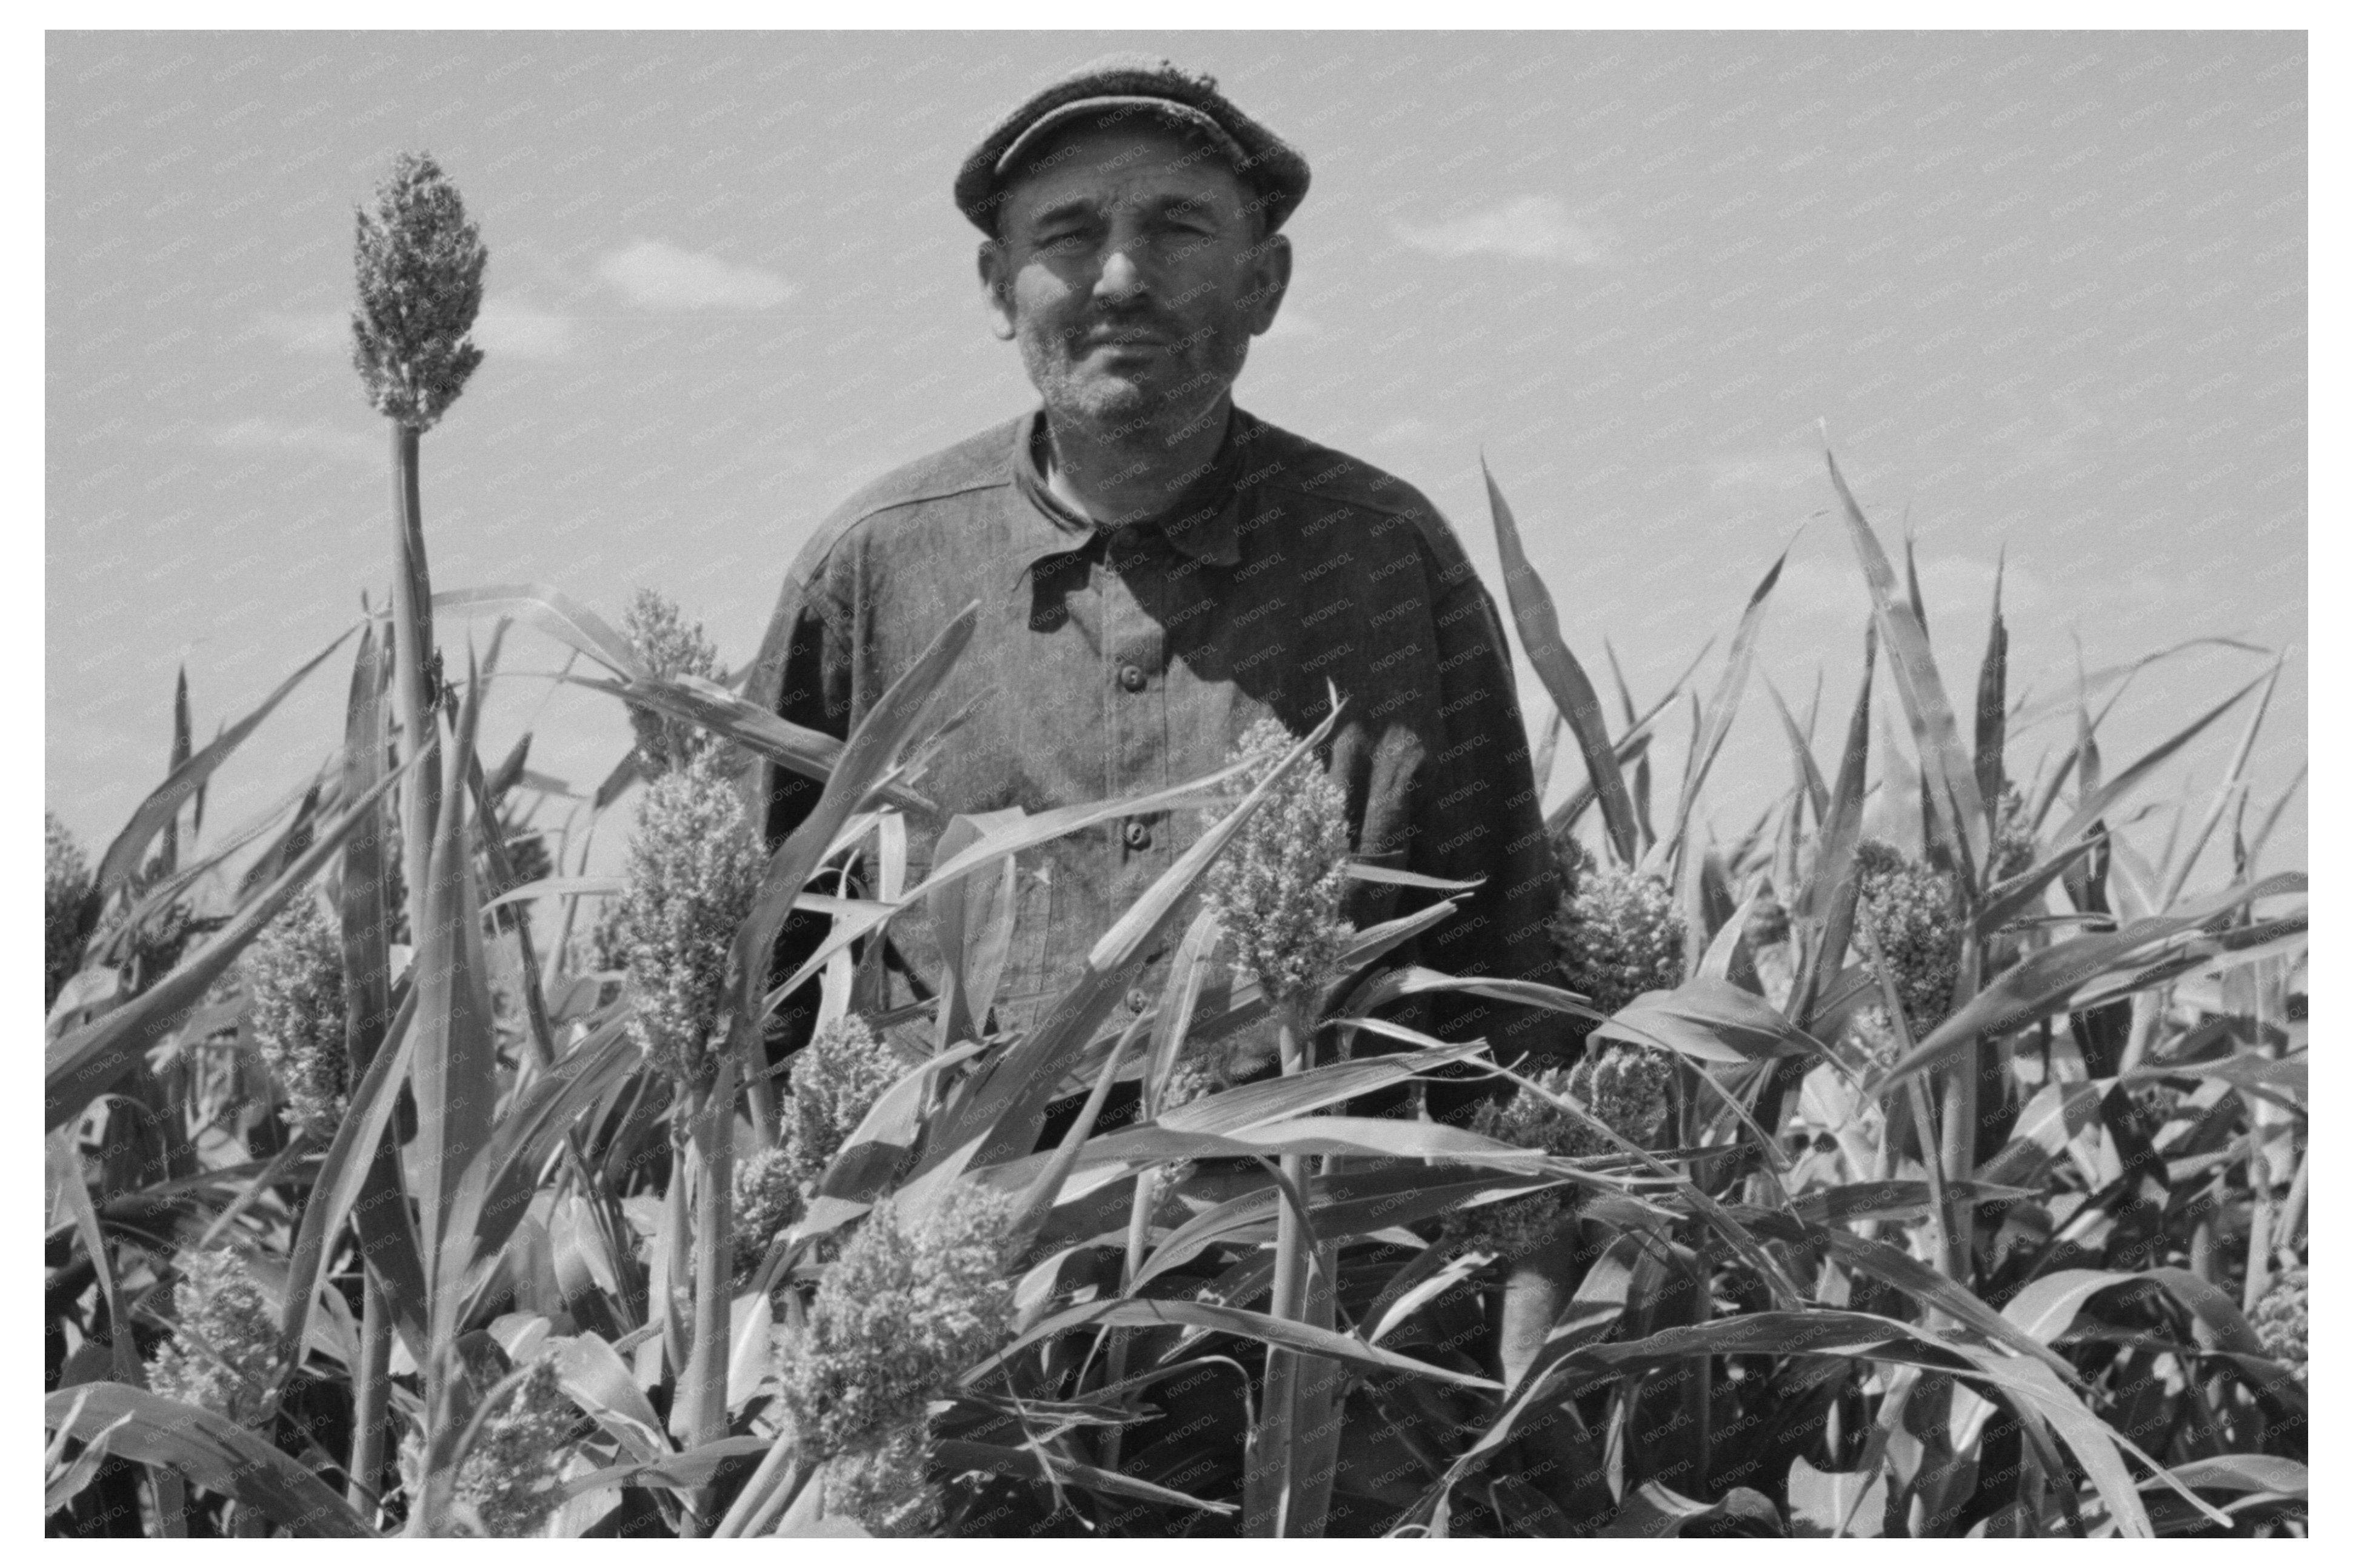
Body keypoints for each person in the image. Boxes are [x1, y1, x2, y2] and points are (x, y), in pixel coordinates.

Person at [744, 57, 1568, 1121]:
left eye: (1177, 230)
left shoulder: (1387, 560)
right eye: (1069, 234)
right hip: (966, 1257)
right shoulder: (874, 565)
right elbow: (755, 988)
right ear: (999, 286)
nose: (1122, 278)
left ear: (1264, 282)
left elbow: (1505, 967)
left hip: (1310, 1252)